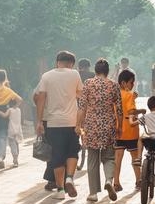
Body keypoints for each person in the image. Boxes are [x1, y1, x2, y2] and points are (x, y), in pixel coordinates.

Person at [35, 50, 83, 200]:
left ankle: (60, 190)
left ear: (57, 62)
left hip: (52, 122)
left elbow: (40, 98)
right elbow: (80, 95)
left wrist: (39, 121)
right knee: (72, 152)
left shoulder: (46, 76)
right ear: (71, 64)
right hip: (71, 121)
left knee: (57, 156)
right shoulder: (75, 74)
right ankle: (69, 178)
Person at [77, 59, 123, 202]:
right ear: (107, 71)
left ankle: (93, 193)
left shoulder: (88, 84)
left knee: (92, 160)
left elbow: (82, 107)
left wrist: (78, 125)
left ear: (96, 71)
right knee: (109, 157)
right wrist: (120, 127)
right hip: (108, 126)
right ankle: (109, 180)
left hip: (91, 126)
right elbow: (120, 110)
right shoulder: (114, 85)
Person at [113, 69, 144, 193]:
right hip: (130, 130)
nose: (133, 85)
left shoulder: (115, 95)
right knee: (135, 157)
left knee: (117, 158)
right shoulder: (129, 94)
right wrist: (141, 111)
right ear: (124, 83)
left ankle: (116, 182)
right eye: (131, 82)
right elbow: (131, 111)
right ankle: (138, 180)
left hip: (118, 130)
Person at [0, 98, 23, 167]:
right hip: (18, 130)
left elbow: (4, 115)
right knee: (16, 144)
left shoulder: (10, 110)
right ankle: (16, 159)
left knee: (12, 145)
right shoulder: (19, 110)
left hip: (11, 130)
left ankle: (15, 161)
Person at [77, 58, 95, 169]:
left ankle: (77, 160)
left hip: (76, 108)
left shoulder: (75, 75)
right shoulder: (92, 75)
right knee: (86, 132)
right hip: (89, 108)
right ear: (88, 66)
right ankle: (85, 146)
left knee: (77, 131)